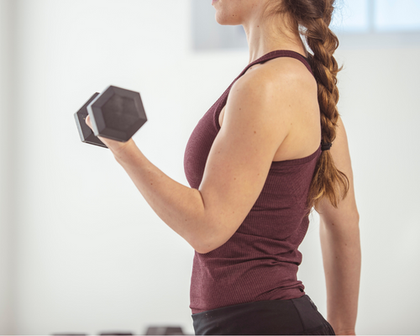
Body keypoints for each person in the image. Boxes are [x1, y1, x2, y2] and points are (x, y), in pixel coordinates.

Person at [86, 0, 361, 334]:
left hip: (258, 323)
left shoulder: (266, 86)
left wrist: (123, 150)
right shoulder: (305, 87)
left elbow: (207, 229)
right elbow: (343, 223)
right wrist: (344, 329)